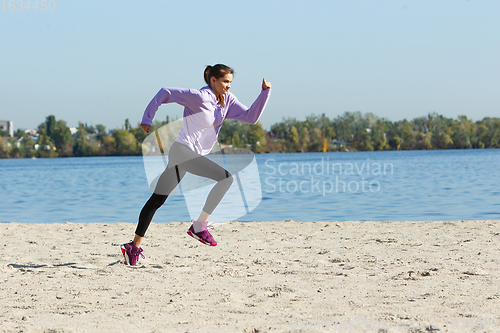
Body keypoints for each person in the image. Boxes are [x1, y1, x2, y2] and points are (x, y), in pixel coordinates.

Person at [121, 64, 272, 266]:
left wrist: (265, 93)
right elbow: (165, 92)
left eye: (230, 82)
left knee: (157, 200)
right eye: (225, 81)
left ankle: (133, 246)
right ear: (213, 80)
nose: (228, 86)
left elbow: (251, 117)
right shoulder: (199, 97)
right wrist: (147, 118)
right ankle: (199, 226)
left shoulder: (228, 100)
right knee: (225, 178)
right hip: (183, 151)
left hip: (187, 154)